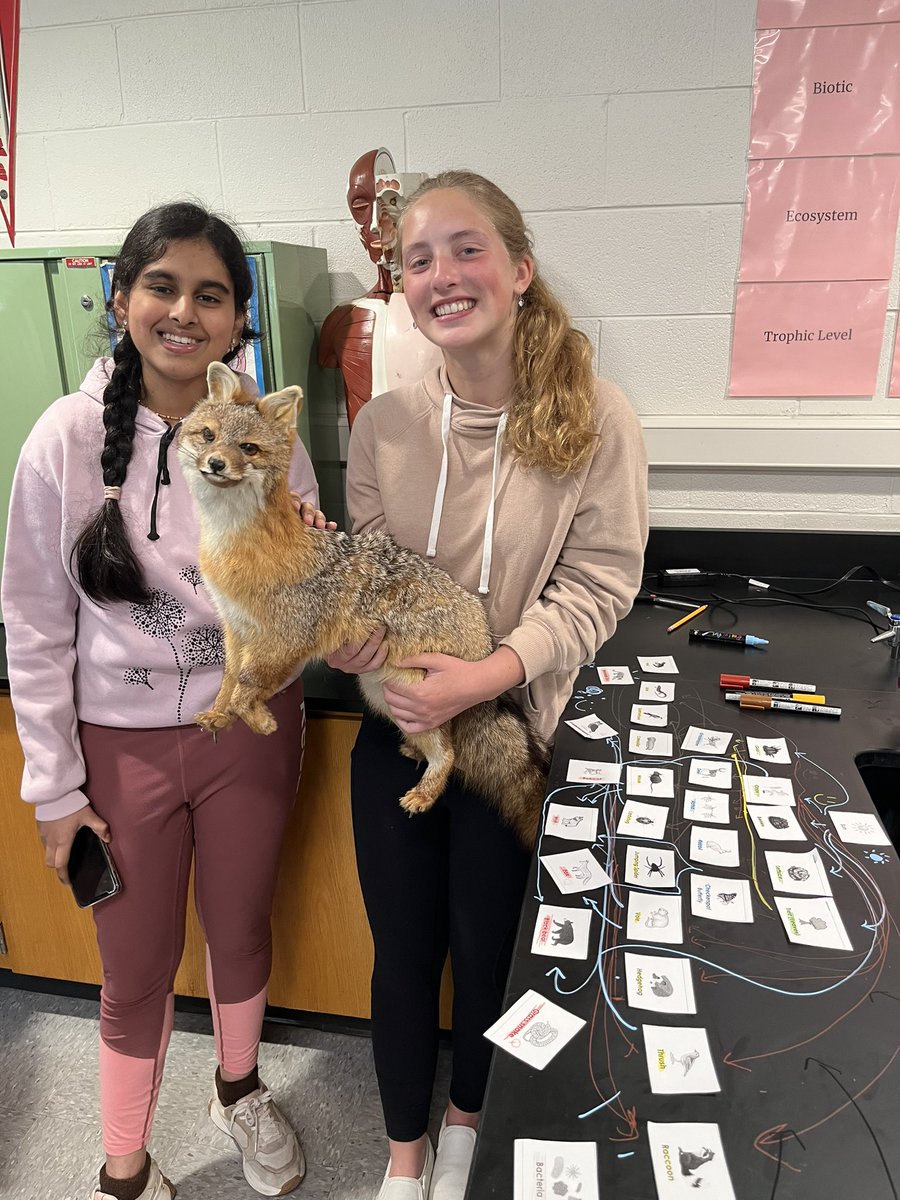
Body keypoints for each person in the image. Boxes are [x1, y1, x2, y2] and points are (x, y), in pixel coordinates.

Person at [326, 171, 648, 1199]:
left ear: (519, 270)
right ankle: (402, 1155)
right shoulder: (381, 426)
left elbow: (599, 585)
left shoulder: (596, 418)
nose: (442, 275)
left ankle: (466, 1120)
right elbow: (373, 574)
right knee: (401, 947)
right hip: (402, 731)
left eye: (467, 249)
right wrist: (353, 637)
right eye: (418, 260)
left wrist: (486, 674)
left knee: (487, 947)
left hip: (511, 730)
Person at [1, 201, 330, 1200]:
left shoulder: (268, 432)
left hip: (249, 732)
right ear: (121, 299)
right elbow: (34, 622)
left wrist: (310, 560)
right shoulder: (64, 438)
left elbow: (298, 600)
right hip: (121, 749)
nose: (185, 311)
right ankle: (125, 1166)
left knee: (241, 928)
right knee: (135, 965)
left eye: (211, 295)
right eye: (162, 286)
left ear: (237, 322)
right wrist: (56, 790)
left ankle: (239, 1089)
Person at [317, 146, 441, 426]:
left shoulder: (450, 315)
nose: (375, 223)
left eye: (392, 203)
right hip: (367, 452)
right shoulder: (342, 322)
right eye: (361, 206)